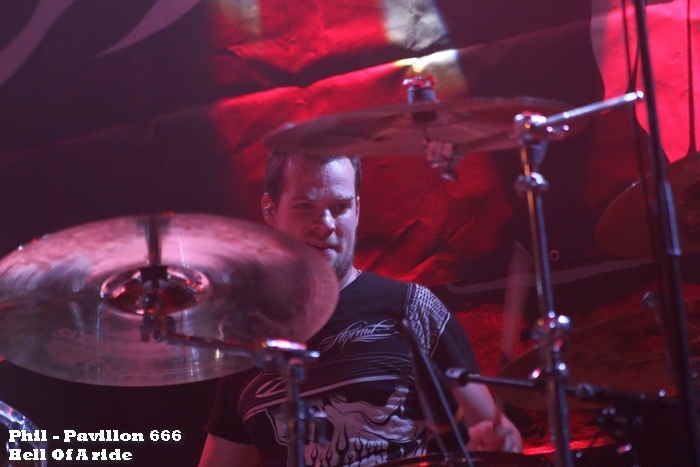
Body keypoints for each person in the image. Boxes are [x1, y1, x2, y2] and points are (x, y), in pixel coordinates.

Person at [198, 152, 523, 467]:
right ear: (270, 209)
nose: (326, 225)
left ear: (357, 209)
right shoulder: (248, 340)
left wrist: (501, 443)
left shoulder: (413, 308)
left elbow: (497, 442)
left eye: (340, 207)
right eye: (305, 206)